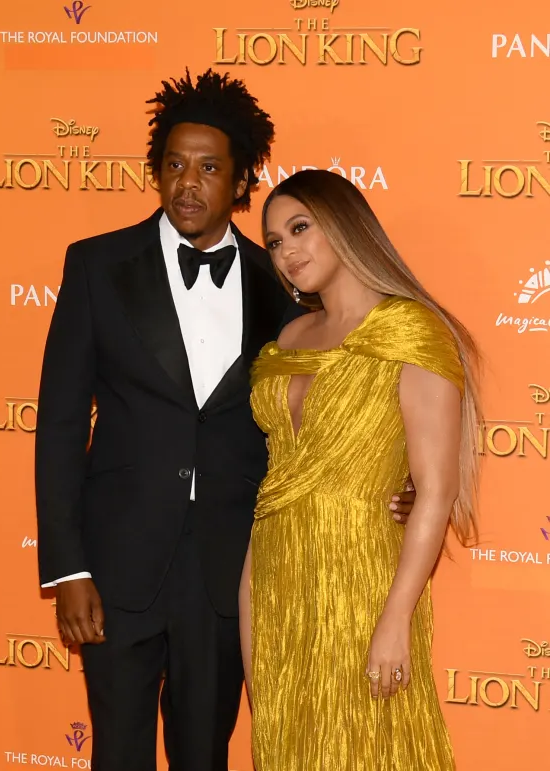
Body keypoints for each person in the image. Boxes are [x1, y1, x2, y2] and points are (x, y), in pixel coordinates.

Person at [35, 71, 415, 771]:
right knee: (116, 754)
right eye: (175, 164)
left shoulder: (282, 283)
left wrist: (397, 479)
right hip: (115, 567)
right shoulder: (96, 266)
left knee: (204, 754)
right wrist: (68, 567)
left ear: (239, 180)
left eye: (209, 167)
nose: (188, 182)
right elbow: (59, 423)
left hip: (230, 568)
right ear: (156, 170)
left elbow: (332, 406)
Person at [239, 169, 482, 771]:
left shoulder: (410, 331)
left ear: (346, 227)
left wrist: (396, 616)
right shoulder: (291, 335)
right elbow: (275, 483)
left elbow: (435, 489)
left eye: (300, 228)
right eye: (273, 242)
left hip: (364, 575)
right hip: (272, 571)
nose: (287, 251)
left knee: (373, 745)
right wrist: (249, 596)